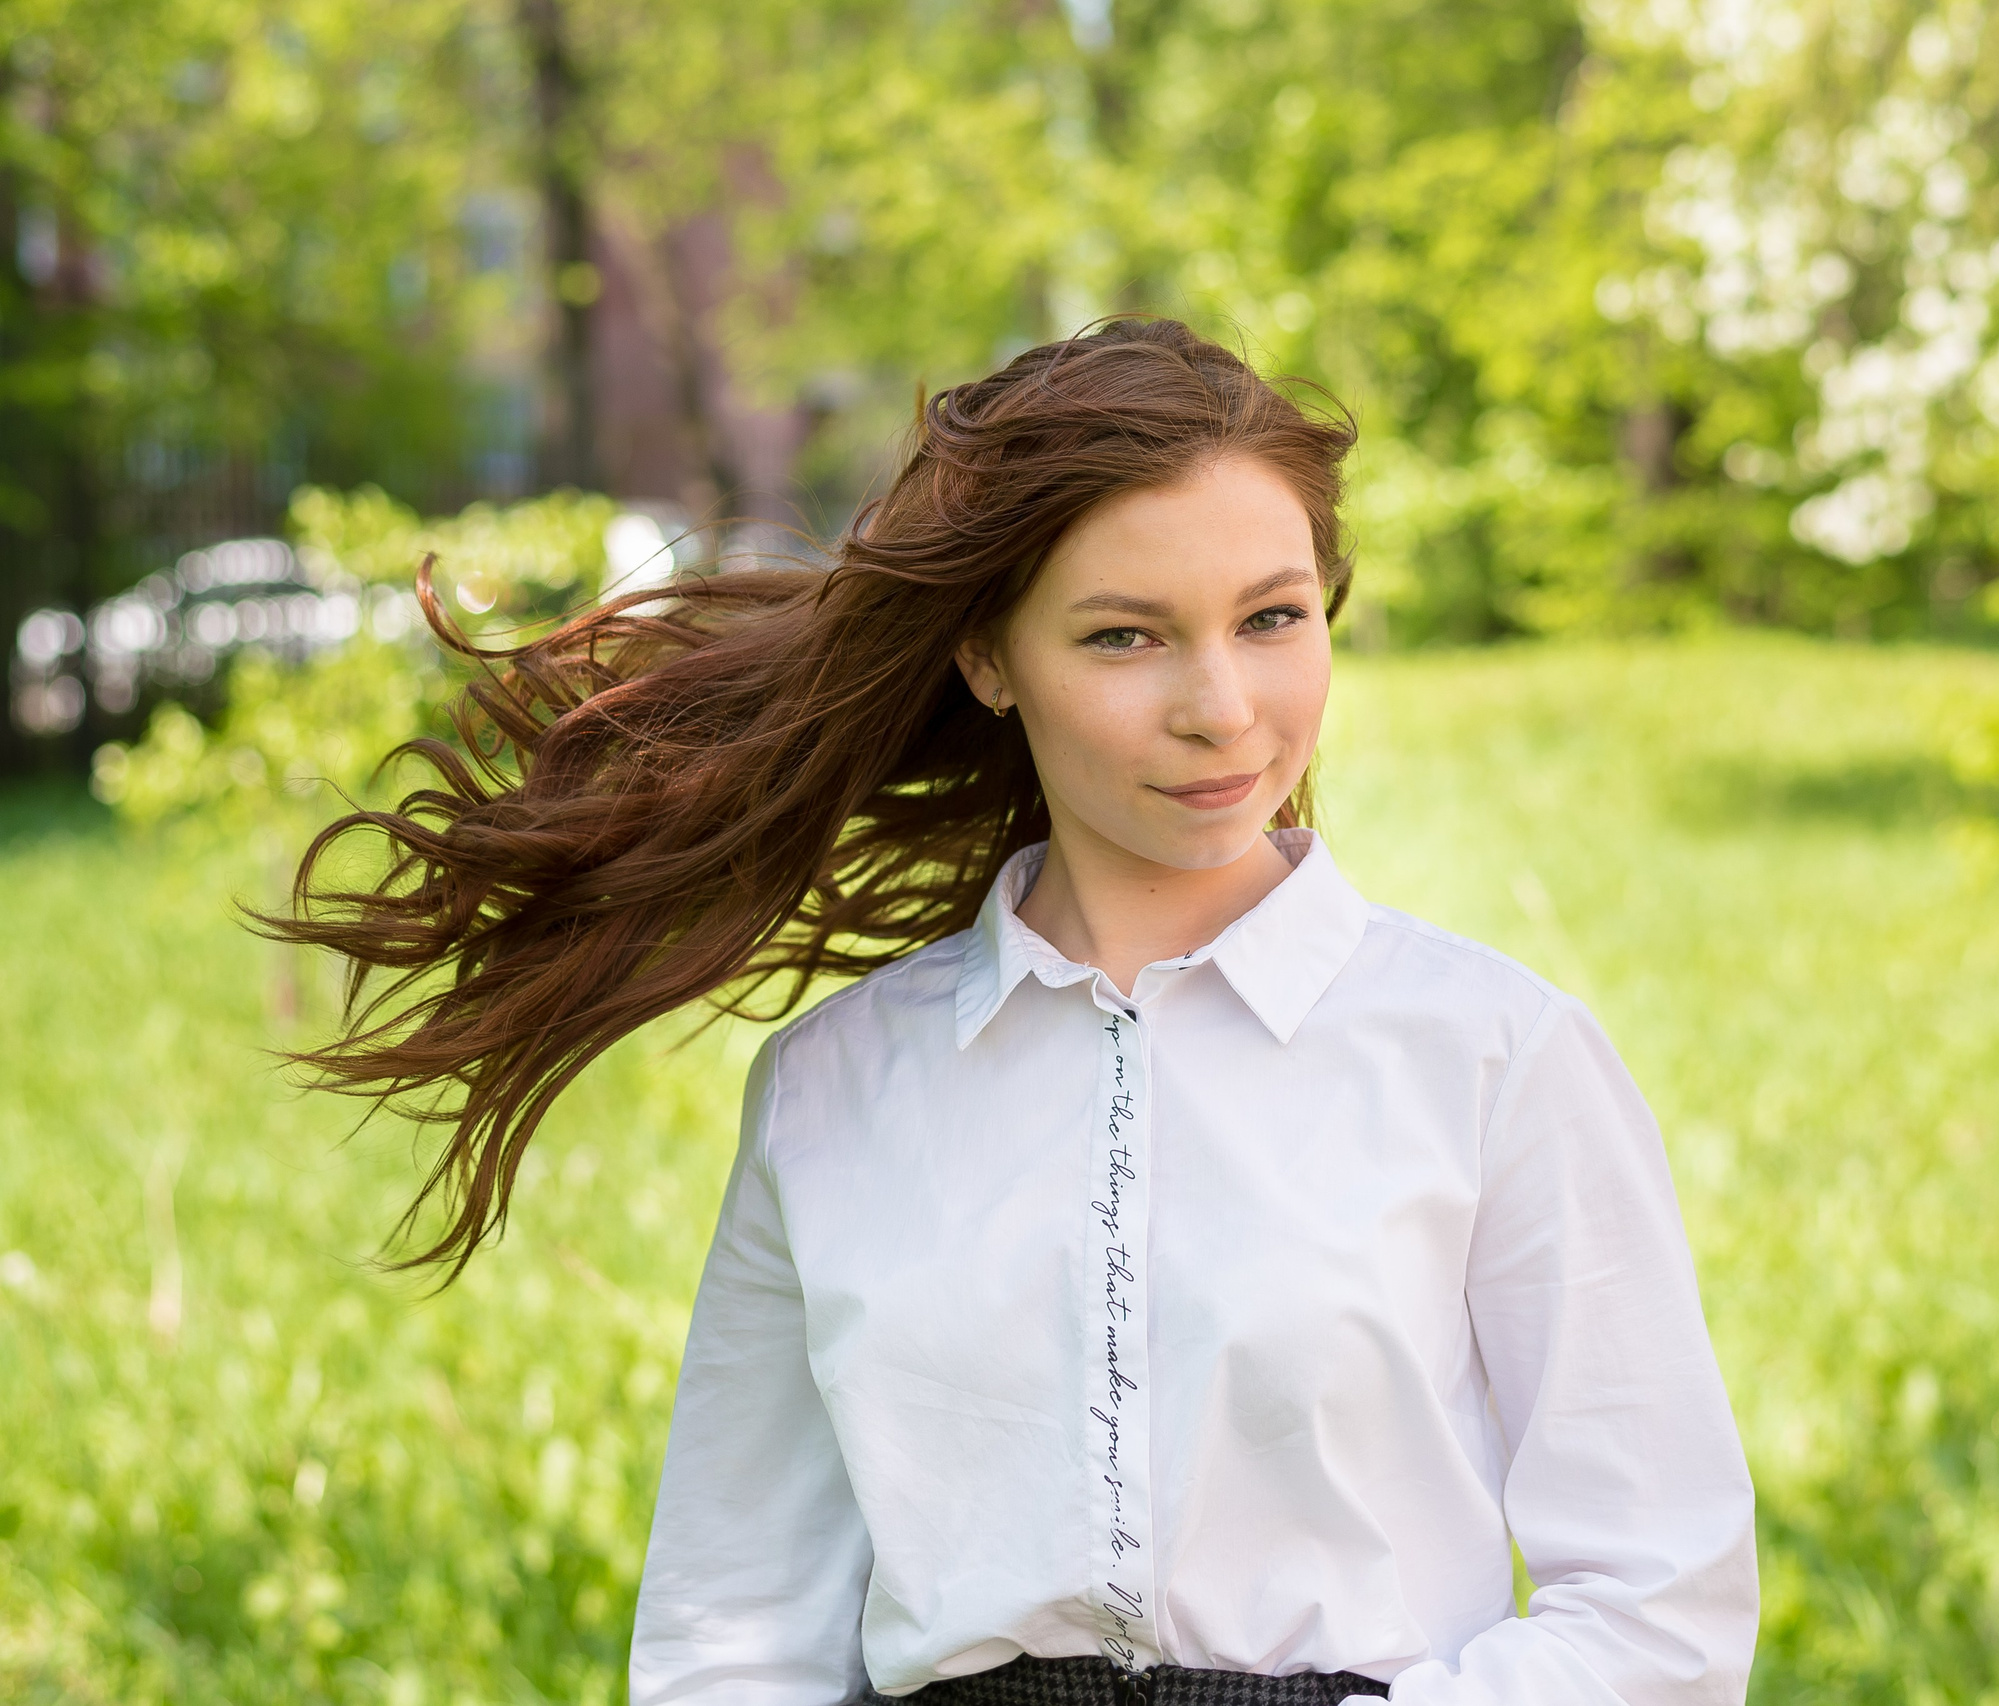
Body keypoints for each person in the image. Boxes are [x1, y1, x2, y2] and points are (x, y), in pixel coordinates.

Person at [272, 318, 1756, 1705]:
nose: (1223, 707)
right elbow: (733, 1633)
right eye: (1124, 637)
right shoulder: (834, 1089)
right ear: (989, 656)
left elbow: (1660, 1608)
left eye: (1272, 617)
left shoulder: (1494, 1058)